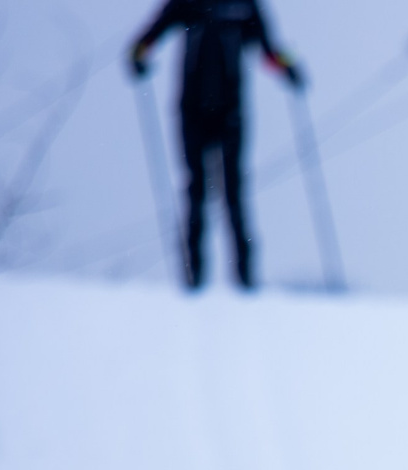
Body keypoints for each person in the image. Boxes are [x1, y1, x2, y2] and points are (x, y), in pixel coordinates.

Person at [128, 1, 303, 292]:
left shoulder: (245, 5)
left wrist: (289, 67)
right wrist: (137, 57)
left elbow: (269, 49)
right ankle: (193, 278)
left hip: (230, 112)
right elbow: (147, 39)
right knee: (196, 190)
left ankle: (245, 279)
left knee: (233, 192)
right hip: (192, 110)